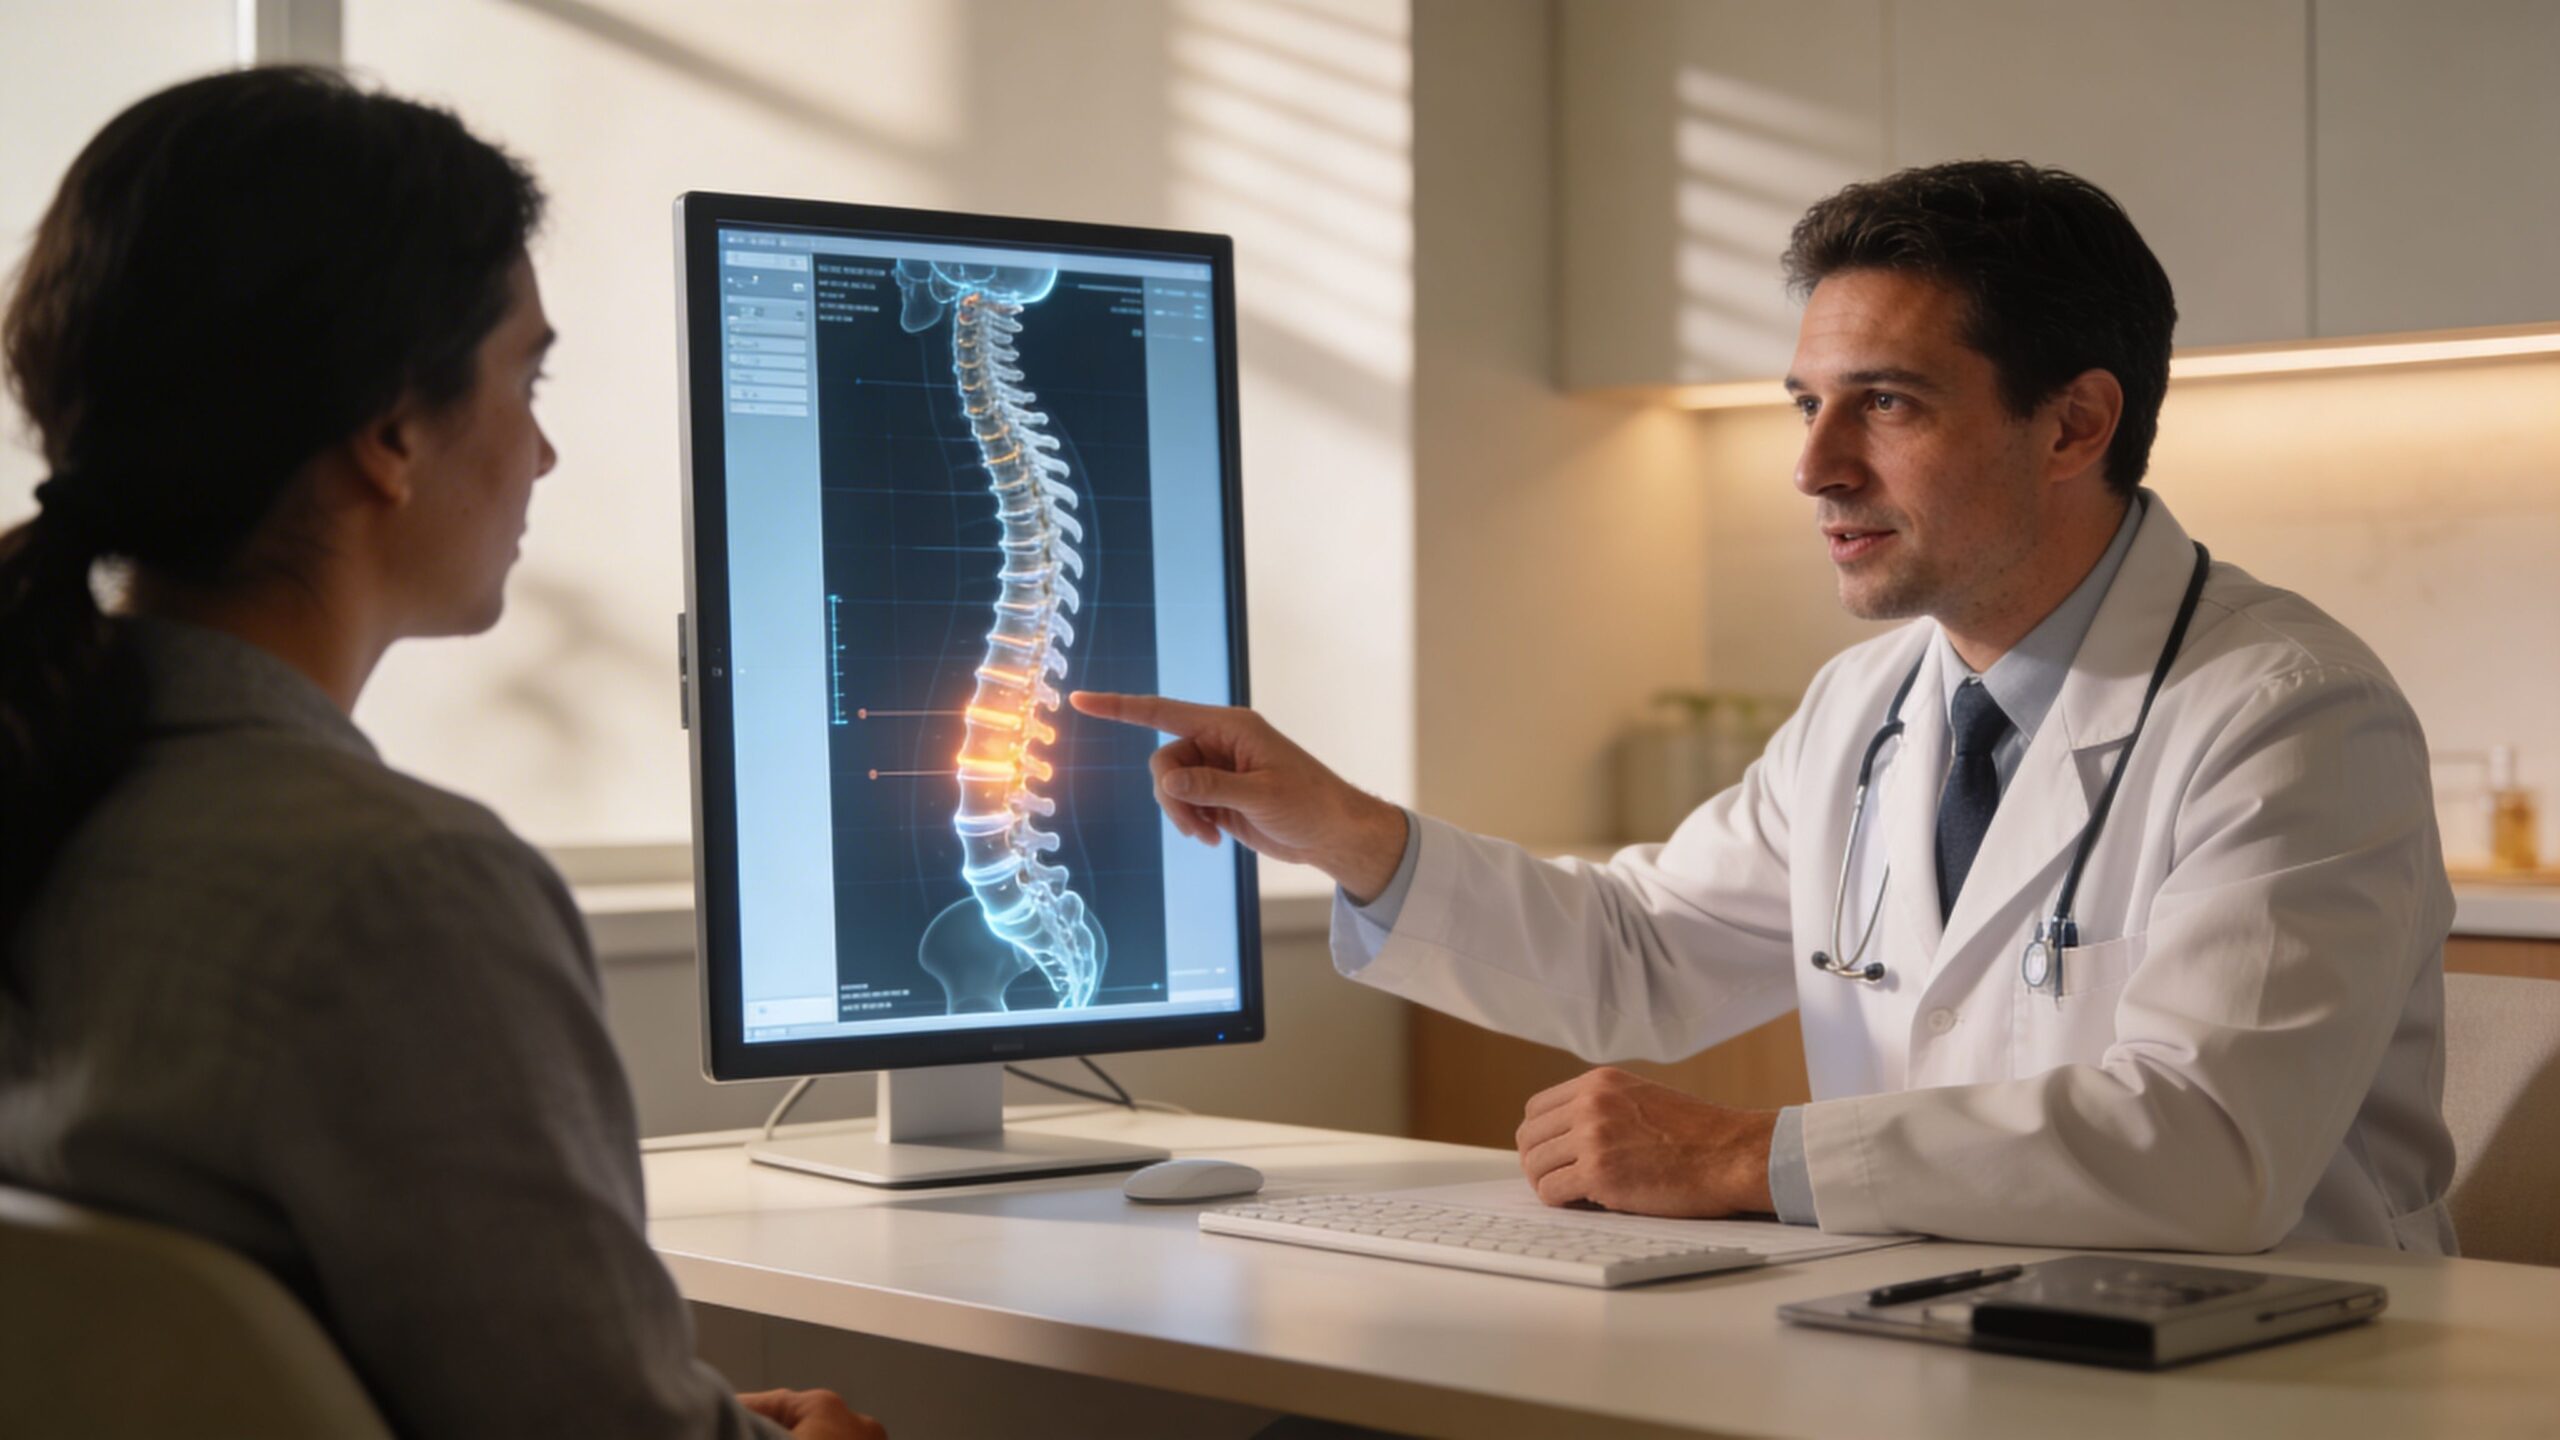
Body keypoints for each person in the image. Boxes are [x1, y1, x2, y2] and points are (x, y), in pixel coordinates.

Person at [1075, 160, 2457, 1254]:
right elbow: (1643, 952)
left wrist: (1744, 1157)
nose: (1811, 466)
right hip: (1935, 1324)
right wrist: (1342, 831)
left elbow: (2212, 1147)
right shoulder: (1871, 706)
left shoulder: (2291, 717)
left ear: (2074, 425)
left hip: (2270, 1374)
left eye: (1887, 405)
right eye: (1806, 402)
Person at [0, 68, 882, 1438]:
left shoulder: (49, 789)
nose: (541, 450)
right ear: (395, 431)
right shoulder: (401, 895)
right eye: (525, 376)